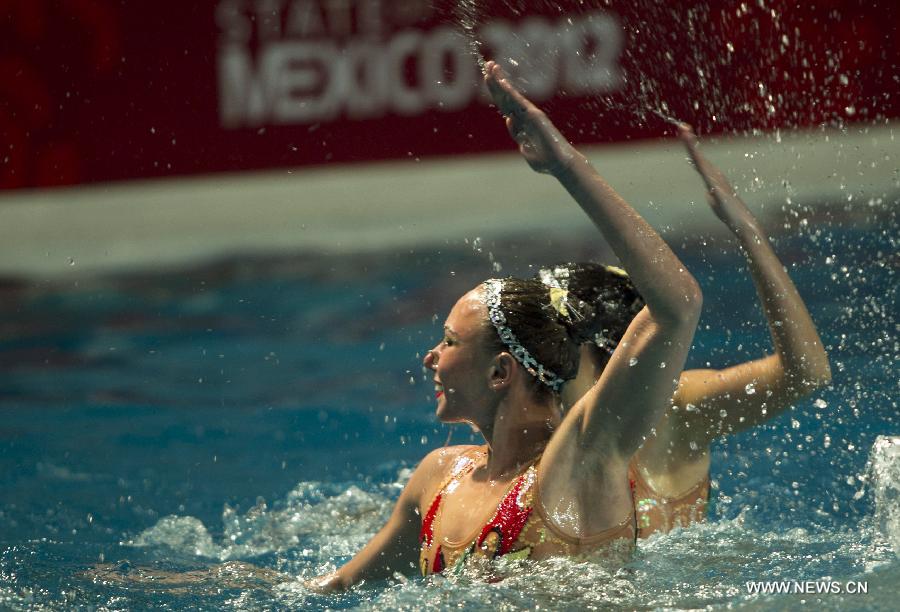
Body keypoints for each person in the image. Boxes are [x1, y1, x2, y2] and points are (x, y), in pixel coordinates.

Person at [309, 62, 703, 590]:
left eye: (448, 341)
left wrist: (565, 165)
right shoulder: (437, 478)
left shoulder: (578, 462)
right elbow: (330, 591)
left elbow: (677, 305)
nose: (430, 356)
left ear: (501, 371)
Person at [547, 124, 832, 538]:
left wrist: (751, 237)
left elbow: (806, 373)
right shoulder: (534, 421)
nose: (539, 347)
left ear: (608, 348)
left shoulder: (673, 411)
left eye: (554, 336)